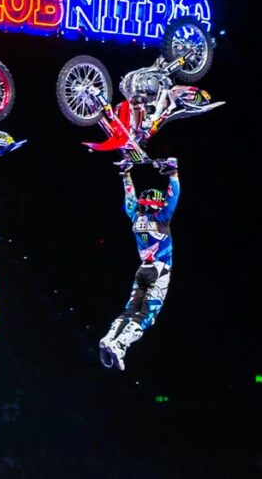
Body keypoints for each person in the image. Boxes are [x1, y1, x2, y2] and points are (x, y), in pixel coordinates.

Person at [99, 157, 180, 370]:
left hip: (143, 269)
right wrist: (173, 174)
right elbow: (173, 197)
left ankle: (109, 337)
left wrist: (126, 175)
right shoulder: (162, 219)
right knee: (147, 315)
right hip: (160, 271)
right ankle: (119, 345)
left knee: (130, 310)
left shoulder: (136, 218)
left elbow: (130, 200)